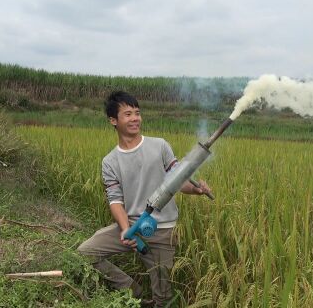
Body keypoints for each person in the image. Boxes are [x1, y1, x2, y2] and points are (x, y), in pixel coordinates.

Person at [77, 91, 212, 307]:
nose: (135, 119)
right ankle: (133, 292)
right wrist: (124, 230)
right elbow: (115, 200)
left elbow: (177, 180)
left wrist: (196, 190)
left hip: (162, 231)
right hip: (131, 226)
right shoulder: (110, 161)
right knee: (85, 253)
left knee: (164, 299)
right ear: (113, 120)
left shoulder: (159, 146)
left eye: (137, 113)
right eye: (128, 114)